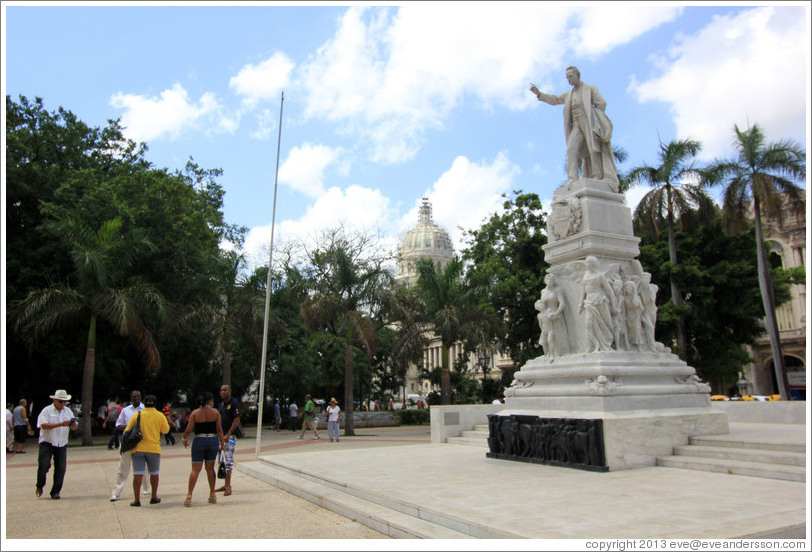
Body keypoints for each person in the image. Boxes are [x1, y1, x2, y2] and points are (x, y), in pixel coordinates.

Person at [530, 66, 618, 189]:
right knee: (571, 149)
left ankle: (597, 176)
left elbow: (601, 103)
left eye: (570, 76)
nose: (569, 80)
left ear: (577, 75)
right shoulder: (568, 94)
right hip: (576, 125)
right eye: (567, 78)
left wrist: (595, 116)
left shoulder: (590, 88)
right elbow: (555, 99)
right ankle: (573, 179)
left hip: (588, 121)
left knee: (593, 148)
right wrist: (540, 94)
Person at [123, 394, 169, 506]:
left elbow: (127, 430)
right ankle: (154, 497)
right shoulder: (160, 415)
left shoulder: (137, 415)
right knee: (154, 473)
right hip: (154, 448)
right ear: (155, 403)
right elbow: (166, 430)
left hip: (138, 448)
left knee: (138, 473)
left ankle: (137, 500)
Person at [181, 391, 225, 507]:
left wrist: (184, 438)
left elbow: (189, 429)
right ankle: (212, 493)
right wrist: (222, 443)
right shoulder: (215, 412)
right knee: (210, 468)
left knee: (195, 469)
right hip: (212, 440)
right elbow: (219, 429)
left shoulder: (195, 413)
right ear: (210, 401)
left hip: (199, 440)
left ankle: (189, 495)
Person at [35, 390, 78, 499]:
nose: (62, 404)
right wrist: (61, 424)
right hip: (47, 442)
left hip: (61, 442)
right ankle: (40, 485)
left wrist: (72, 425)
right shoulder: (47, 411)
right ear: (54, 400)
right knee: (43, 465)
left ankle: (55, 491)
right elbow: (43, 425)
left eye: (64, 402)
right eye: (60, 401)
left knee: (61, 468)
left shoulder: (67, 411)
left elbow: (74, 426)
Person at [110, 390, 150, 501]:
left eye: (139, 396)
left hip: (141, 441)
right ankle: (116, 492)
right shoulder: (125, 410)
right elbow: (118, 425)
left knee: (143, 467)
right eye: (134, 397)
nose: (137, 398)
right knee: (123, 468)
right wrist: (130, 426)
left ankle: (146, 488)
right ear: (131, 398)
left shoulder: (145, 409)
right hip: (128, 441)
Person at [578, 256, 618, 353]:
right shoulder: (585, 275)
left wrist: (613, 306)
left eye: (588, 262)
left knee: (603, 322)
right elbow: (584, 291)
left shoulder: (599, 276)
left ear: (593, 264)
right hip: (589, 301)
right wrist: (580, 304)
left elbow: (609, 291)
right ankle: (591, 346)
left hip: (600, 300)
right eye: (586, 262)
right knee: (588, 324)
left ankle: (605, 344)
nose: (586, 264)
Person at [535, 273, 568, 358]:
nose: (549, 281)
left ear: (554, 281)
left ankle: (557, 353)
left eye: (551, 279)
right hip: (545, 315)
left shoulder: (557, 290)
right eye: (547, 279)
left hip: (554, 313)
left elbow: (562, 303)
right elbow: (540, 303)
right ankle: (549, 354)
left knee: (555, 335)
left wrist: (557, 312)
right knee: (547, 338)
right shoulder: (543, 291)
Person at [216, 384, 241, 496]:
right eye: (221, 390)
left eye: (224, 390)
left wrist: (229, 433)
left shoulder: (234, 403)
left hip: (229, 437)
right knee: (221, 459)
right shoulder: (221, 405)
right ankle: (225, 483)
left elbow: (236, 420)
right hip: (221, 437)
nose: (222, 392)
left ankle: (228, 486)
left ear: (229, 391)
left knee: (228, 459)